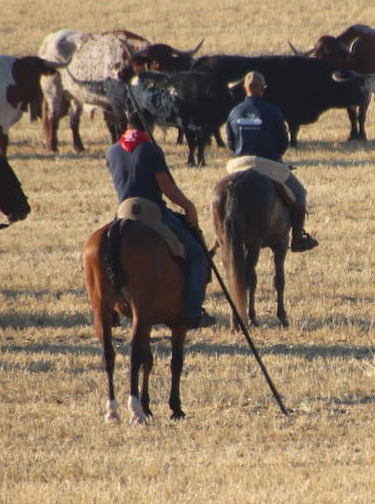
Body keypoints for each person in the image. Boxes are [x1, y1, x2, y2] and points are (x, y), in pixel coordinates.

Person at [105, 112, 213, 328]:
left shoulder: (112, 151)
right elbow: (166, 187)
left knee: (107, 255)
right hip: (152, 211)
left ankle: (109, 308)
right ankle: (192, 313)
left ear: (127, 126)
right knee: (197, 255)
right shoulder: (151, 149)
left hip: (123, 211)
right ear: (150, 127)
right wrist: (188, 207)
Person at [226, 72, 318, 252]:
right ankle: (298, 238)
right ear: (263, 89)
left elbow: (230, 144)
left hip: (239, 165)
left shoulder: (234, 112)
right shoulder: (273, 111)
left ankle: (221, 238)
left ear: (245, 89)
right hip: (267, 164)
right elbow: (283, 143)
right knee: (299, 196)